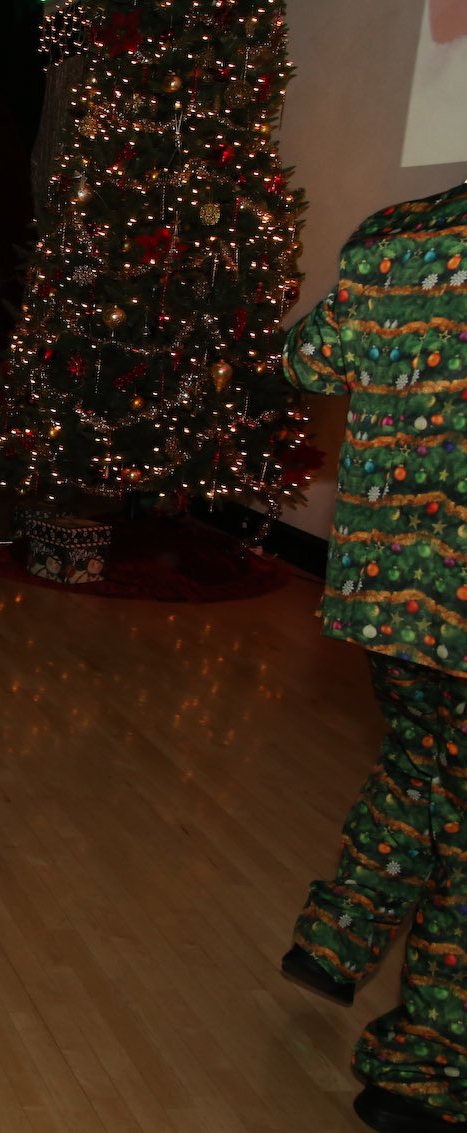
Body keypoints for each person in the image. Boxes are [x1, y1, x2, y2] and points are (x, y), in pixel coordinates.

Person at [278, 179, 467, 1133]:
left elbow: (308, 360)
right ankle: (427, 1070)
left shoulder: (400, 231)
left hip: (390, 589)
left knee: (418, 763)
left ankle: (332, 942)